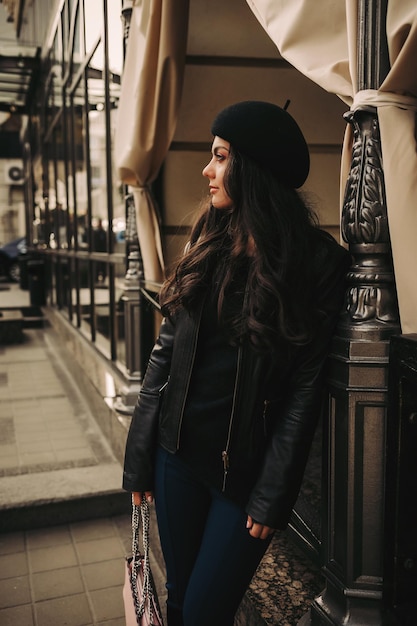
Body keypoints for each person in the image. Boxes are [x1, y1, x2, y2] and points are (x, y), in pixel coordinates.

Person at [123, 100, 351, 626]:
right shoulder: (210, 236)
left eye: (220, 157)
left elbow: (305, 391)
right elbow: (163, 356)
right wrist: (139, 457)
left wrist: (274, 493)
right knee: (179, 597)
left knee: (206, 611)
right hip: (175, 458)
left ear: (252, 169)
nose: (207, 170)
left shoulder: (318, 263)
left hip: (243, 480)